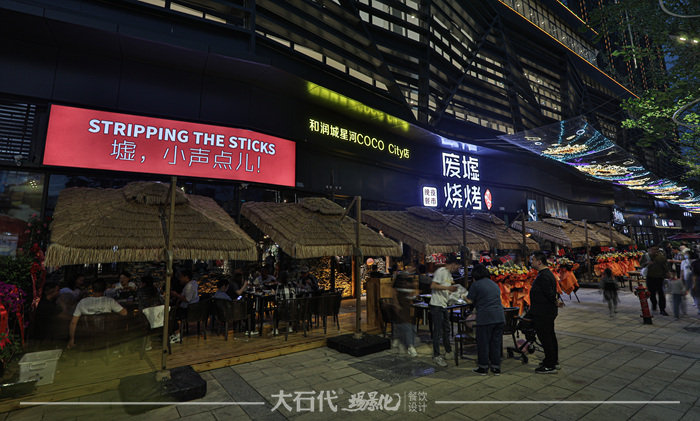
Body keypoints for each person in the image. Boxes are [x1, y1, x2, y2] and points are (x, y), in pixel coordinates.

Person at [465, 264, 505, 375]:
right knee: (495, 344)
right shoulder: (494, 284)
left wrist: (462, 295)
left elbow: (469, 301)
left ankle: (483, 367)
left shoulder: (476, 284)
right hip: (499, 317)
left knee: (483, 343)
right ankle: (496, 368)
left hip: (486, 318)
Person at [67, 279, 127, 349]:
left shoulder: (82, 302)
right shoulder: (110, 301)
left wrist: (71, 339)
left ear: (92, 290)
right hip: (106, 335)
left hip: (87, 335)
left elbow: (73, 323)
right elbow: (124, 313)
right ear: (105, 290)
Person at [529, 251, 564, 374]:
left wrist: (555, 301)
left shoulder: (544, 276)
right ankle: (553, 360)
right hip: (546, 311)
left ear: (539, 262)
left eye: (533, 260)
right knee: (550, 336)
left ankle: (550, 365)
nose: (531, 262)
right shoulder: (546, 274)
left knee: (546, 337)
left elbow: (549, 293)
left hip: (543, 312)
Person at [430, 254, 460, 367]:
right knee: (438, 331)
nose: (457, 269)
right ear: (453, 264)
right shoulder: (441, 271)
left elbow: (449, 286)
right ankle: (436, 355)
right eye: (457, 266)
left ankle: (448, 351)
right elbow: (433, 285)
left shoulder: (448, 274)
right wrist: (448, 288)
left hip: (443, 305)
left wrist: (453, 290)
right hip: (436, 305)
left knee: (446, 329)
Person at [392, 261, 418, 357]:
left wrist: (414, 294)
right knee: (406, 325)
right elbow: (394, 291)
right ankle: (410, 346)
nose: (412, 269)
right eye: (411, 267)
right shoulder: (400, 277)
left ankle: (398, 339)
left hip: (408, 304)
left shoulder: (410, 278)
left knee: (404, 324)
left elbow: (412, 291)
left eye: (414, 268)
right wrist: (396, 303)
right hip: (401, 303)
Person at [645, 246, 669, 316]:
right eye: (653, 249)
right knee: (651, 293)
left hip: (659, 277)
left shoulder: (661, 257)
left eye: (656, 249)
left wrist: (667, 273)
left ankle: (662, 308)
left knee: (661, 293)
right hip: (649, 277)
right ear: (649, 249)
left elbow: (665, 266)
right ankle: (654, 304)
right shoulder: (645, 256)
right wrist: (646, 264)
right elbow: (641, 264)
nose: (655, 251)